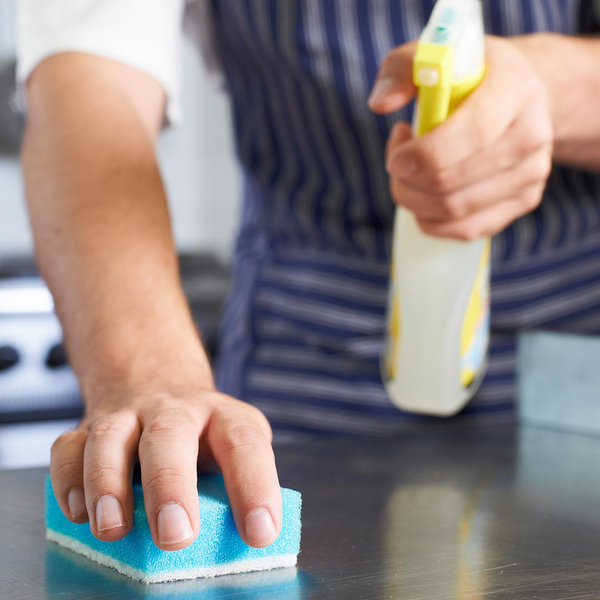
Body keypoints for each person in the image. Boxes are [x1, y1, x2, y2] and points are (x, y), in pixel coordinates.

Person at [17, 0, 600, 553]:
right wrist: (148, 373)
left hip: (577, 379)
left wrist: (550, 89)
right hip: (304, 373)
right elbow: (90, 83)